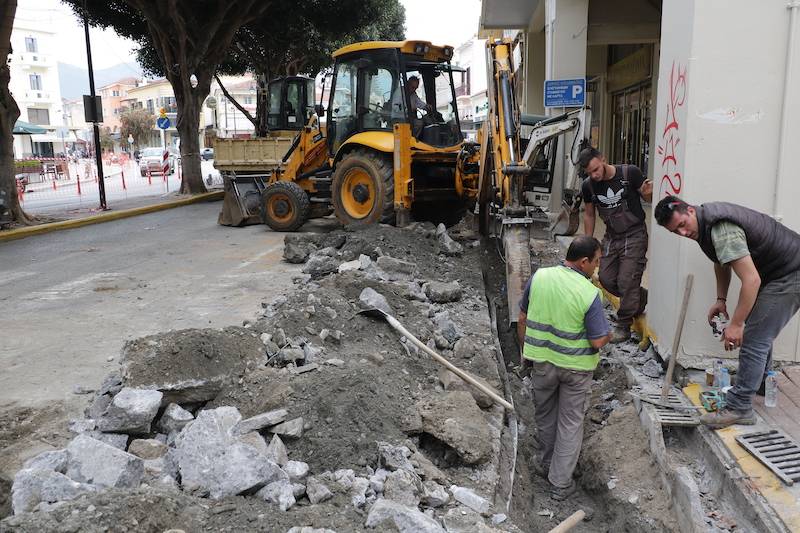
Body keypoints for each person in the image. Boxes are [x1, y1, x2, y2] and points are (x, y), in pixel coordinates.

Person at [654, 196, 800, 428]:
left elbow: (751, 280)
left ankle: (740, 407)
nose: (682, 233)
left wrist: (736, 325)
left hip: (791, 272)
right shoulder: (706, 225)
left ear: (689, 210)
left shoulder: (721, 229)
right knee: (759, 327)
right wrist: (721, 299)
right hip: (779, 272)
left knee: (754, 335)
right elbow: (721, 260)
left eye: (682, 225)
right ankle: (759, 382)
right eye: (675, 232)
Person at [517, 235, 611, 500]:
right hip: (576, 369)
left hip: (542, 364)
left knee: (546, 416)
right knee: (570, 423)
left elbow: (522, 318)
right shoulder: (589, 293)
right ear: (583, 262)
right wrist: (609, 336)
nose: (597, 267)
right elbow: (596, 340)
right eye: (596, 261)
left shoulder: (540, 277)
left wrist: (528, 352)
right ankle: (559, 482)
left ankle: (545, 463)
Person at [580, 147, 653, 343]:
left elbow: (649, 197)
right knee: (606, 278)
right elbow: (589, 214)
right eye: (590, 173)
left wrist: (648, 194)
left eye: (596, 169)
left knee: (627, 280)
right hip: (612, 236)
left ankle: (623, 326)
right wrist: (588, 242)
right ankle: (638, 297)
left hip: (635, 233)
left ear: (603, 158)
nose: (595, 175)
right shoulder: (588, 186)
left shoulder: (630, 173)